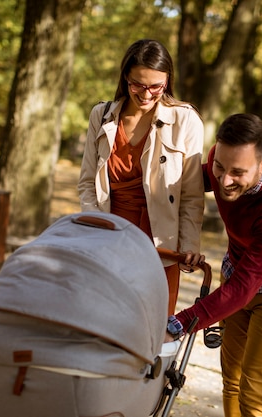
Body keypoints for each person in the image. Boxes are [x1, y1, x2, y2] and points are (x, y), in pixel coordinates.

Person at [174, 113, 262, 417]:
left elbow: (244, 288)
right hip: (238, 270)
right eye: (220, 167)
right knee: (232, 377)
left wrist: (180, 323)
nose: (224, 180)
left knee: (253, 388)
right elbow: (198, 178)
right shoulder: (221, 158)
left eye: (237, 172)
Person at [78, 39, 205, 315]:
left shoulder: (185, 120)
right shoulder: (102, 116)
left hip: (161, 244)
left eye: (156, 87)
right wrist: (94, 227)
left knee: (153, 326)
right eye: (138, 85)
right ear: (126, 78)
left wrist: (189, 245)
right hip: (110, 238)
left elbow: (192, 195)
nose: (146, 94)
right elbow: (88, 182)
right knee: (104, 319)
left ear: (167, 81)